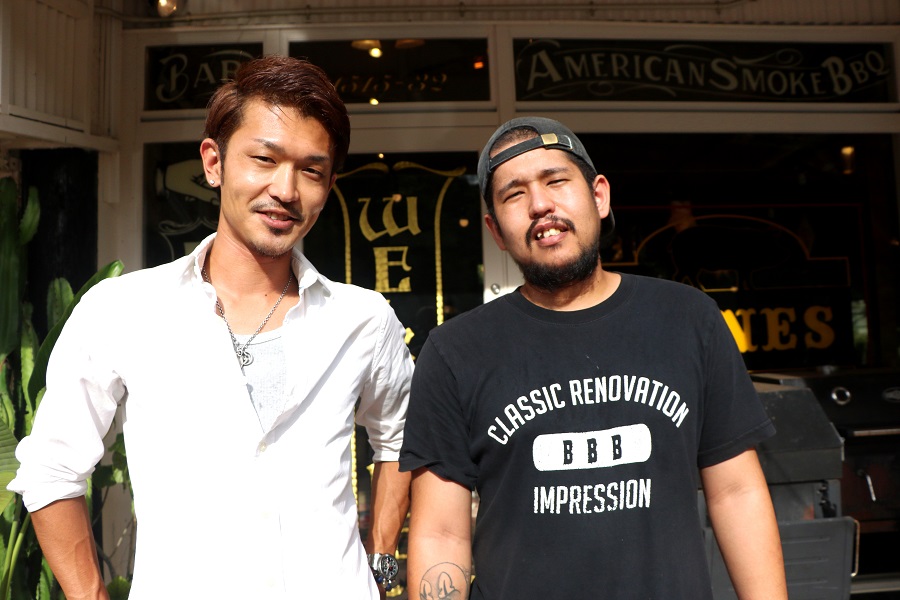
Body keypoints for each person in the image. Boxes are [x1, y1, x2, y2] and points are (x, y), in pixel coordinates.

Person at [9, 55, 413, 599]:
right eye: (264, 159)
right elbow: (51, 467)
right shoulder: (124, 310)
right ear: (214, 162)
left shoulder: (362, 319)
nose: (286, 189)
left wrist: (380, 561)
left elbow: (399, 439)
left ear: (329, 184)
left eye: (311, 170)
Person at [399, 117, 788, 599]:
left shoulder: (688, 319)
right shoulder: (455, 351)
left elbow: (737, 493)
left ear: (599, 196)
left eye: (555, 181)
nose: (540, 205)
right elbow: (441, 534)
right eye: (514, 194)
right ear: (496, 231)